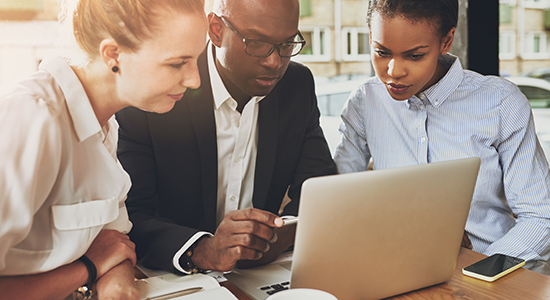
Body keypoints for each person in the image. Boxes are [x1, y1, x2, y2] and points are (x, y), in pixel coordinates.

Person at [0, 0, 207, 298]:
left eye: (197, 60)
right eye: (177, 63)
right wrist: (87, 268)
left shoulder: (105, 123)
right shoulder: (32, 118)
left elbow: (114, 244)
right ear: (113, 54)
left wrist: (118, 288)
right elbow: (100, 256)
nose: (194, 79)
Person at [116, 0, 336, 274]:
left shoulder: (296, 84)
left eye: (287, 44)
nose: (274, 62)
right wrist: (201, 250)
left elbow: (319, 184)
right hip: (173, 275)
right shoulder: (161, 87)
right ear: (216, 30)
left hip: (260, 272)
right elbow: (129, 213)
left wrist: (285, 232)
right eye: (256, 42)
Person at [334, 0, 550, 275]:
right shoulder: (365, 101)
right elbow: (341, 203)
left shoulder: (500, 102)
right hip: (402, 270)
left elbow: (541, 216)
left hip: (493, 275)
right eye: (381, 51)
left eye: (414, 56)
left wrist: (479, 270)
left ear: (446, 41)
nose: (394, 71)